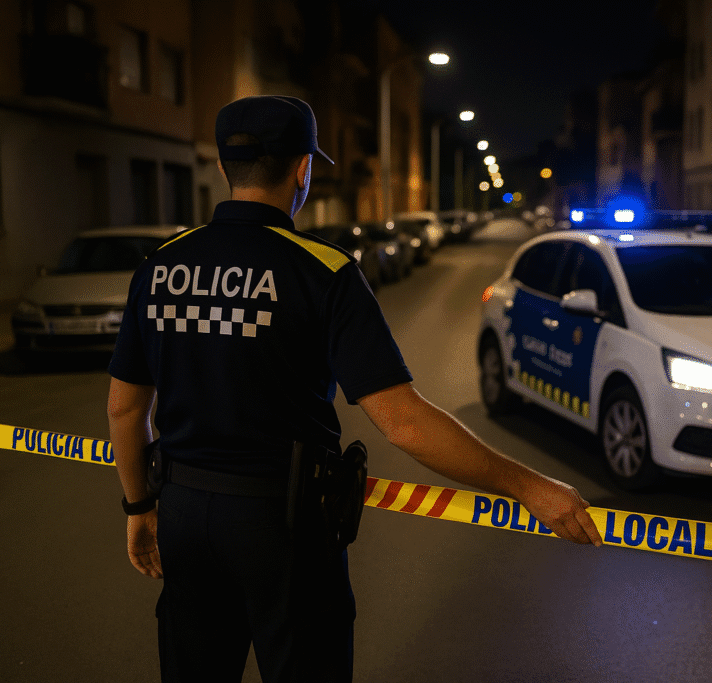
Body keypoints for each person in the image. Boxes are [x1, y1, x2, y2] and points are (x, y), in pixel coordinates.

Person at [107, 94, 602, 683]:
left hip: (184, 514)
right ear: (302, 169)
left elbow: (124, 408)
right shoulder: (323, 270)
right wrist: (526, 486)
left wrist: (140, 506)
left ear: (222, 167)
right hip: (283, 527)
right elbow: (405, 423)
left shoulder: (160, 265)